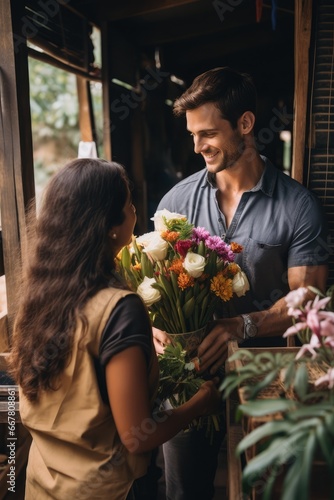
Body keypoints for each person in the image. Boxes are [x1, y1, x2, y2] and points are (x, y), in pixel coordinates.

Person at [153, 67, 329, 500]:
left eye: (208, 133)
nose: (197, 147)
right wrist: (157, 327)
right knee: (183, 491)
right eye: (193, 134)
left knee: (264, 490)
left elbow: (306, 299)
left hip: (267, 379)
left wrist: (241, 326)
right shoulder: (176, 203)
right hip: (188, 378)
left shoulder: (298, 206)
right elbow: (151, 288)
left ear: (245, 125)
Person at [8, 158, 221, 500]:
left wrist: (134, 340)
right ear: (108, 224)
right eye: (129, 203)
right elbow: (137, 436)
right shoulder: (121, 310)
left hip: (43, 483)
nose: (135, 211)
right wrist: (200, 403)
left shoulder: (38, 301)